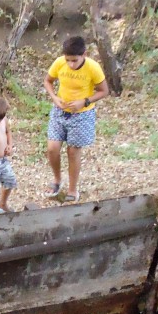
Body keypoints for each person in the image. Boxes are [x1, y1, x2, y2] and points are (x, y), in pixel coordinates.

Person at [43, 35, 110, 203]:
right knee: (52, 148)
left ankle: (73, 189)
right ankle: (57, 180)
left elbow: (104, 91)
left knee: (73, 152)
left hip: (82, 114)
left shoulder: (93, 68)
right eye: (68, 60)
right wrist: (54, 98)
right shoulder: (59, 63)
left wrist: (84, 101)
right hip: (60, 111)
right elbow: (48, 81)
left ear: (84, 55)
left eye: (74, 60)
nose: (71, 64)